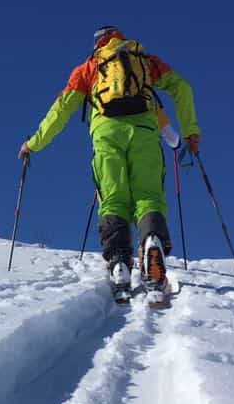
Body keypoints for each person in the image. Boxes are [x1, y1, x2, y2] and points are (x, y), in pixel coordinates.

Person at [18, 26, 200, 300]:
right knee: (148, 195)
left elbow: (61, 109)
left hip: (106, 133)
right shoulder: (146, 62)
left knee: (113, 198)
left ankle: (119, 263)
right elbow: (181, 87)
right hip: (145, 131)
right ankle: (151, 240)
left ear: (97, 45)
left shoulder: (88, 69)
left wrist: (33, 143)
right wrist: (190, 132)